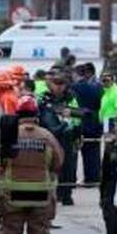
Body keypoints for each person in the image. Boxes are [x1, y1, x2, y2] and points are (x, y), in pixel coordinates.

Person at [0, 95, 63, 234]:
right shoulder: (47, 136)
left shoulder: (8, 136)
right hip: (41, 196)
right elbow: (58, 163)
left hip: (12, 196)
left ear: (17, 114)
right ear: (36, 114)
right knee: (39, 233)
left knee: (10, 232)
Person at [39, 73, 79, 206]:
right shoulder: (45, 98)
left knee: (69, 166)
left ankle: (66, 194)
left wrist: (77, 132)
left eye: (62, 84)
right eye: (56, 84)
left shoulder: (71, 98)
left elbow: (77, 116)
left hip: (68, 137)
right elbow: (43, 118)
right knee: (52, 166)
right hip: (51, 137)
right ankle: (54, 194)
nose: (59, 87)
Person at [71, 63, 104, 185]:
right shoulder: (98, 88)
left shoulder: (72, 88)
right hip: (94, 124)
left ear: (77, 74)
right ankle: (92, 179)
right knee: (93, 154)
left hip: (77, 124)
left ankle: (71, 180)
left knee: (72, 155)